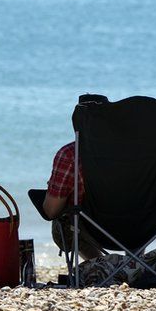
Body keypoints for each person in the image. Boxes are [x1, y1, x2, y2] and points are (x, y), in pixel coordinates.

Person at [42, 94, 110, 261]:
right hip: (139, 227)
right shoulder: (136, 154)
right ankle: (135, 265)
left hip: (89, 229)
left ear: (76, 123)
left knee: (65, 218)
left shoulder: (70, 154)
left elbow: (51, 211)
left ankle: (99, 263)